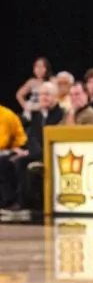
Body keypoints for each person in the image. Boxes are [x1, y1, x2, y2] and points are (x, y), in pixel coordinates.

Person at [0, 82, 63, 213]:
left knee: (20, 163)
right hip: (34, 151)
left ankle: (23, 202)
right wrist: (22, 150)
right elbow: (32, 136)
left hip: (50, 153)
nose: (43, 97)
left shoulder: (60, 114)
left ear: (56, 97)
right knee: (4, 161)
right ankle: (8, 201)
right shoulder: (36, 114)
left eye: (47, 94)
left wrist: (31, 153)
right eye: (41, 95)